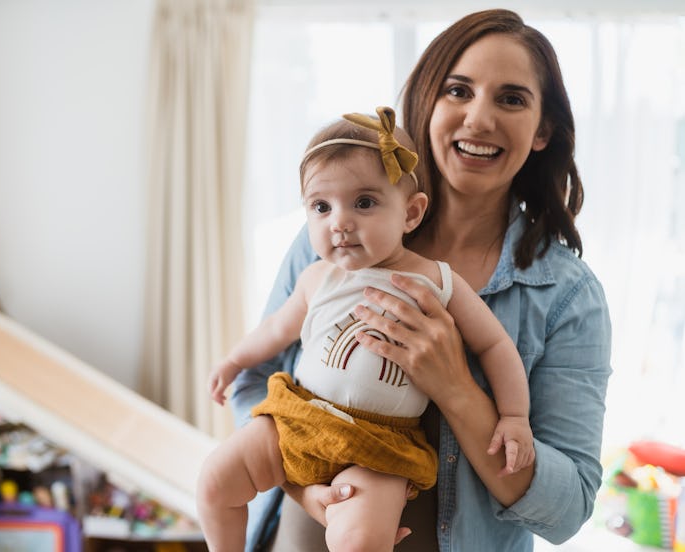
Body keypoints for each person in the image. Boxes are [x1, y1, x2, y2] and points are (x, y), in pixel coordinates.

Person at [228, 8, 612, 552]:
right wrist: (299, 483)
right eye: (458, 90)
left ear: (544, 130)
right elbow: (252, 379)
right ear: (426, 102)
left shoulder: (567, 296)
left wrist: (456, 385)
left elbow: (567, 509)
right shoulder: (336, 241)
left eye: (511, 98)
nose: (479, 119)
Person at [197, 106, 534, 552]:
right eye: (321, 206)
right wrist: (235, 360)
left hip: (380, 444)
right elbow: (277, 329)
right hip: (297, 417)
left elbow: (494, 345)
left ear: (411, 213)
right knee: (214, 483)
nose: (340, 222)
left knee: (360, 541)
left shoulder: (436, 281)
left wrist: (514, 416)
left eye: (364, 202)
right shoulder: (317, 277)